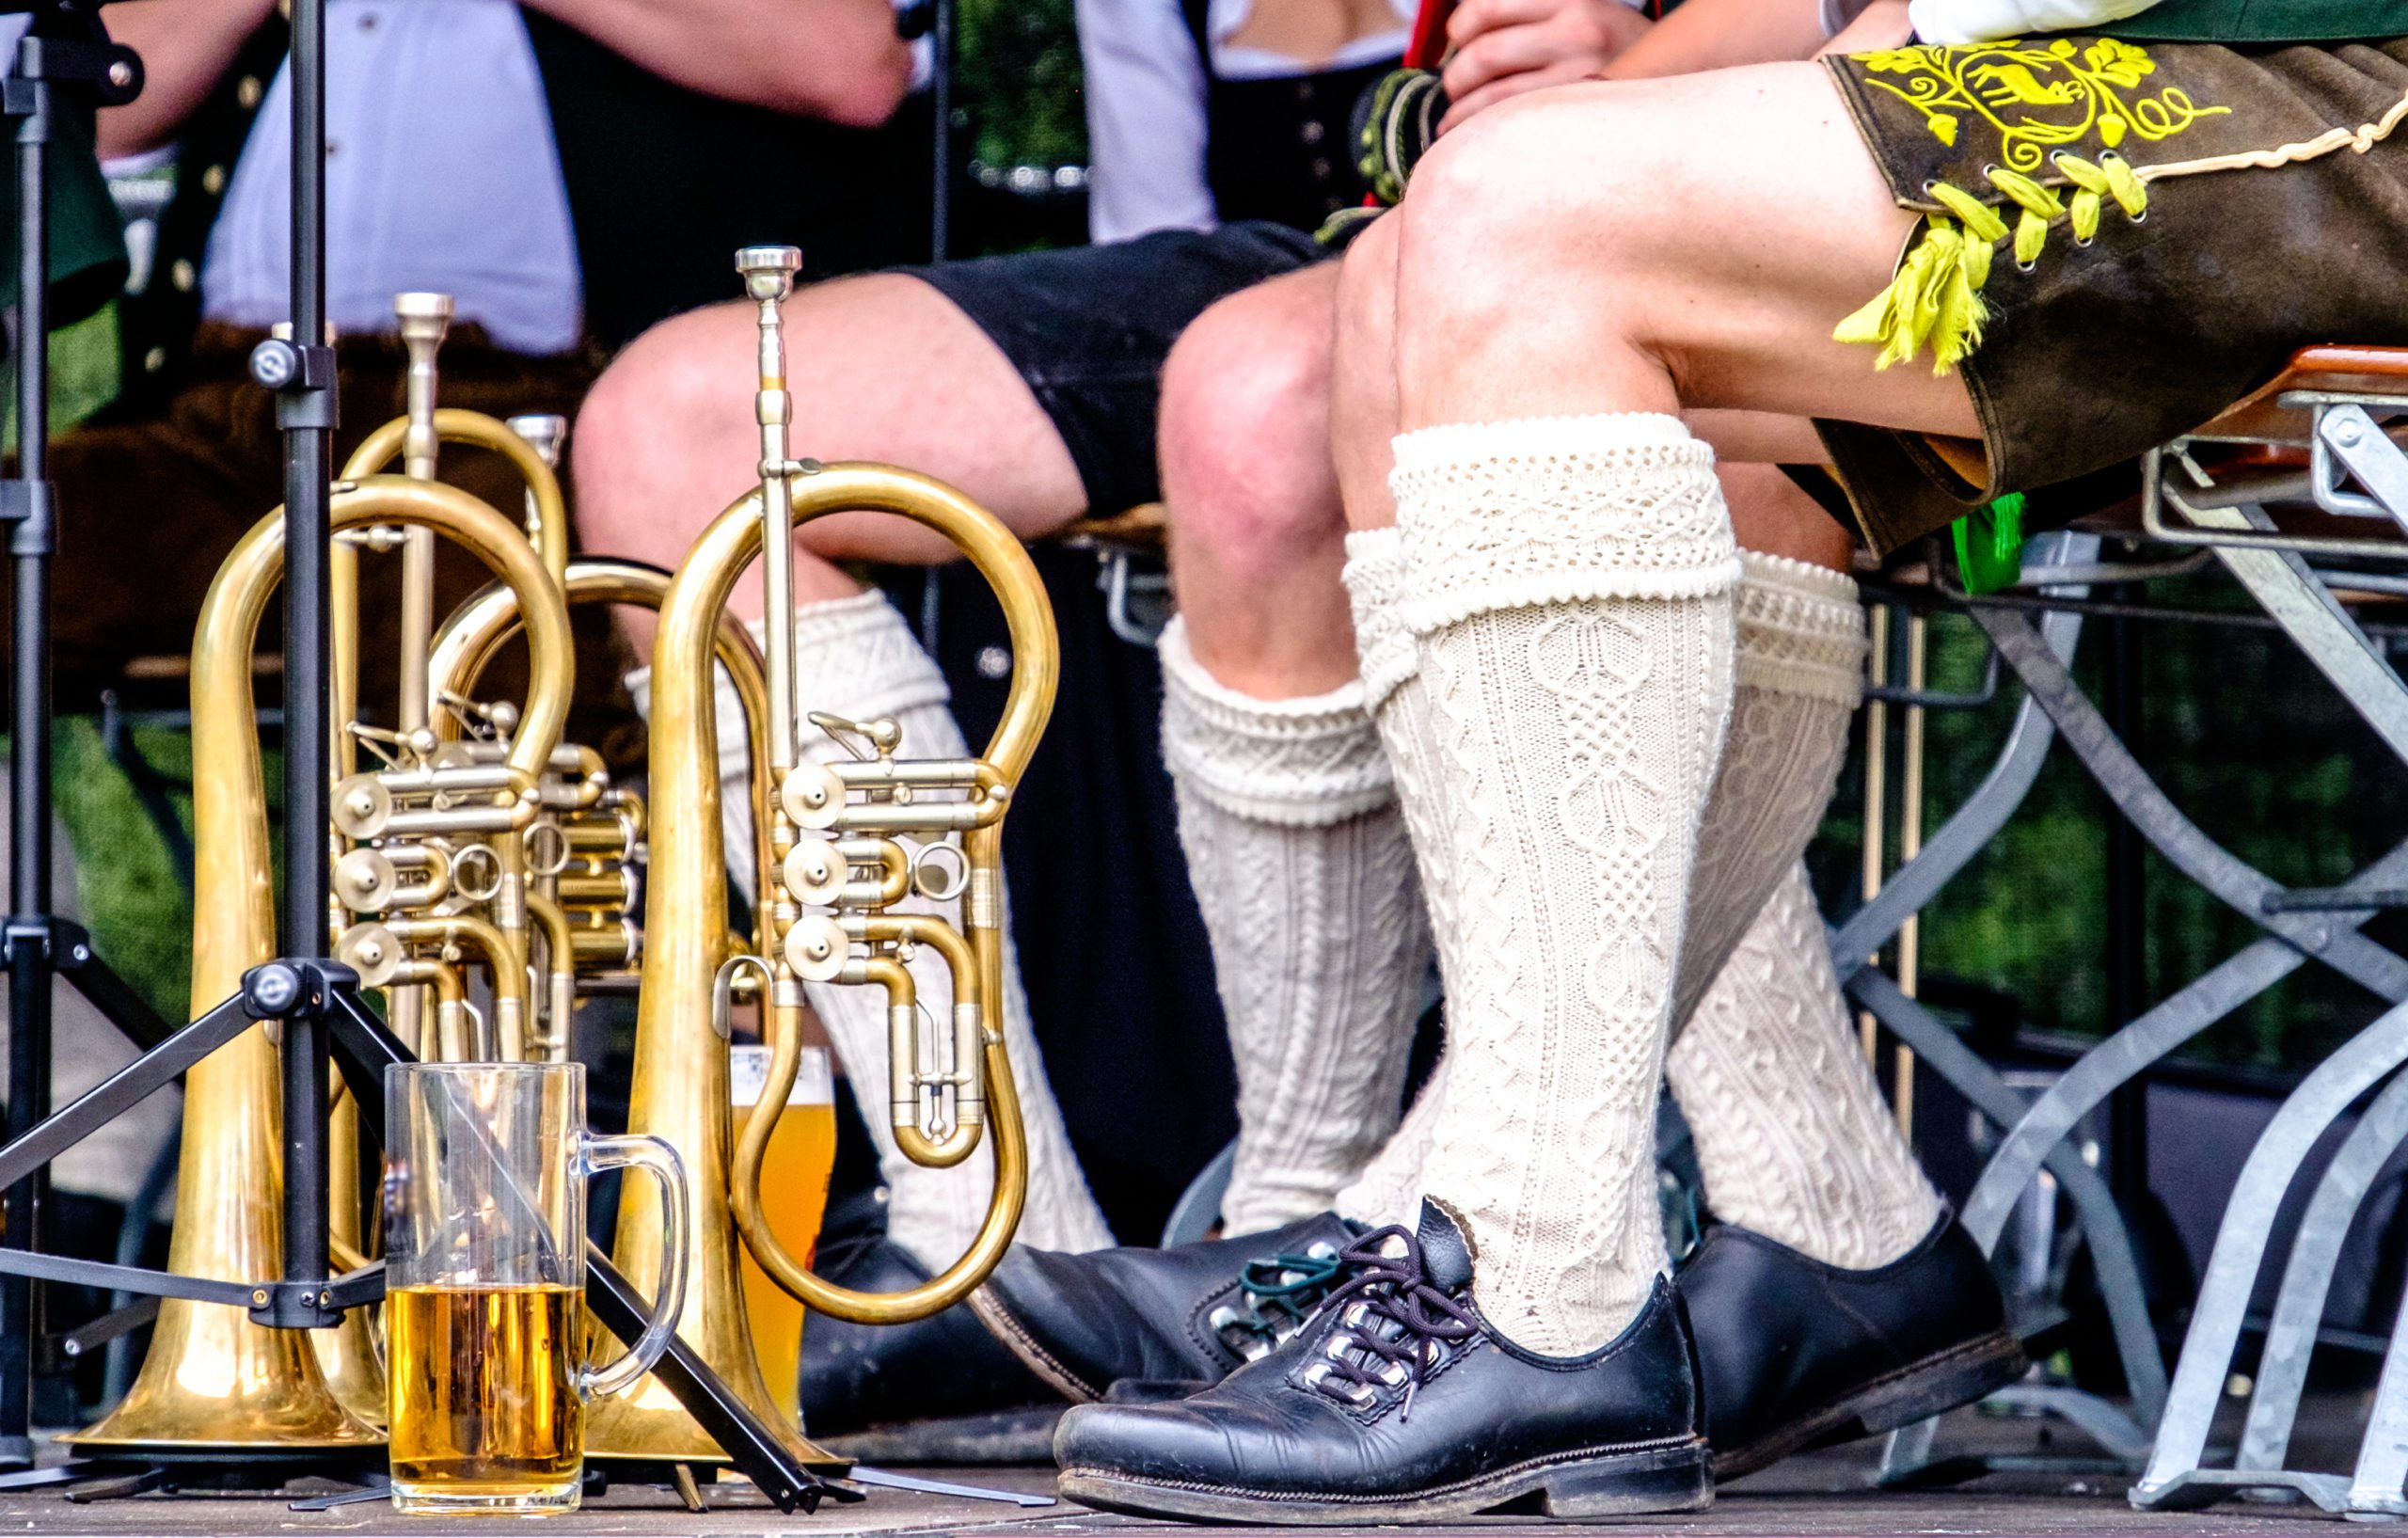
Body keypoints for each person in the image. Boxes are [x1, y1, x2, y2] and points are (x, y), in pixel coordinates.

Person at [1045, 0, 2408, 1521]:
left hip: (2325, 66)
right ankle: (1533, 1229)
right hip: (2111, 51)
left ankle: (1535, 1279)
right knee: (1414, 269)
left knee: (1520, 222)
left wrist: (1816, 53)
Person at [572, 0, 1662, 1430]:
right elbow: (1155, 220)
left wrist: (1651, 71)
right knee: (676, 433)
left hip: (1630, 238)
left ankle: (1294, 1229)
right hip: (1322, 262)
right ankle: (986, 1237)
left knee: (1258, 403)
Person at [33, 0, 925, 710]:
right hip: (228, 407)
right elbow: (100, 108)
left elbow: (852, 60)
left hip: (525, 410)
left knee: (464, 683)